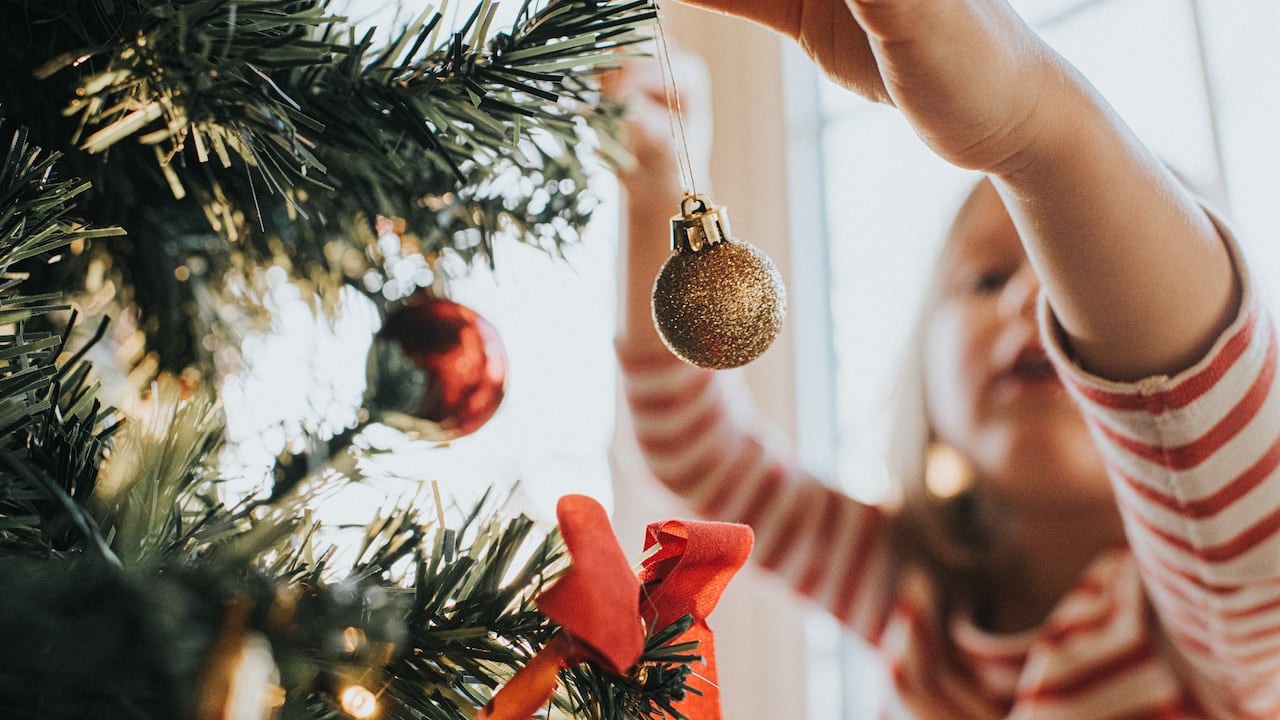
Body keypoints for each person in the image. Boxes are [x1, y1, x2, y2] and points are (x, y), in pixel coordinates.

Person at [608, 1, 1280, 718]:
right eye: (986, 279)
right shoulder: (911, 592)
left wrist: (1032, 128)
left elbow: (1201, 420)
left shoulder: (1221, 616)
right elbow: (695, 449)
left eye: (1076, 290)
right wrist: (659, 193)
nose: (1031, 299)